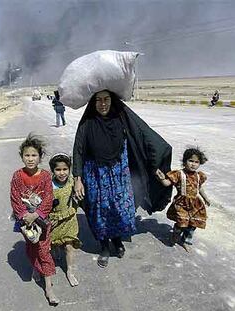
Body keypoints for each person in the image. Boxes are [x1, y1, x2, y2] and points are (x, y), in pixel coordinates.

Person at [73, 90, 172, 268]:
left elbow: (144, 136)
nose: (103, 104)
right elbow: (78, 150)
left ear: (112, 101)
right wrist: (77, 178)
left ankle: (117, 241)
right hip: (95, 175)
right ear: (93, 103)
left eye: (106, 99)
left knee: (119, 208)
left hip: (119, 173)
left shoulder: (121, 119)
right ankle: (103, 247)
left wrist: (155, 164)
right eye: (98, 100)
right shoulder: (87, 123)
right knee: (100, 211)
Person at [10, 133, 59, 305]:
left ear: (40, 157)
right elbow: (15, 197)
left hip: (42, 220)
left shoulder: (45, 176)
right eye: (27, 155)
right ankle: (36, 268)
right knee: (32, 247)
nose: (30, 159)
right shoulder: (17, 176)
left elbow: (48, 198)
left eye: (34, 155)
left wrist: (36, 214)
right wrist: (24, 216)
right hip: (25, 222)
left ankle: (49, 288)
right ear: (22, 156)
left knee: (44, 250)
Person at [155, 147, 210, 251]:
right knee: (181, 223)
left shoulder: (199, 176)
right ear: (184, 162)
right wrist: (161, 178)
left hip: (195, 204)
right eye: (190, 161)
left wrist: (206, 198)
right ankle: (175, 236)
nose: (193, 164)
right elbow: (167, 183)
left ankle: (185, 240)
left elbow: (199, 187)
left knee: (193, 224)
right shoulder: (179, 174)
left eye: (196, 162)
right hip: (182, 203)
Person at [48, 153, 81, 287]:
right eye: (58, 170)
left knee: (69, 246)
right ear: (53, 170)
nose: (62, 173)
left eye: (65, 169)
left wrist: (78, 196)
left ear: (69, 169)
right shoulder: (48, 184)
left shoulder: (73, 182)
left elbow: (77, 200)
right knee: (54, 244)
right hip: (54, 221)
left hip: (69, 219)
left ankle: (70, 271)